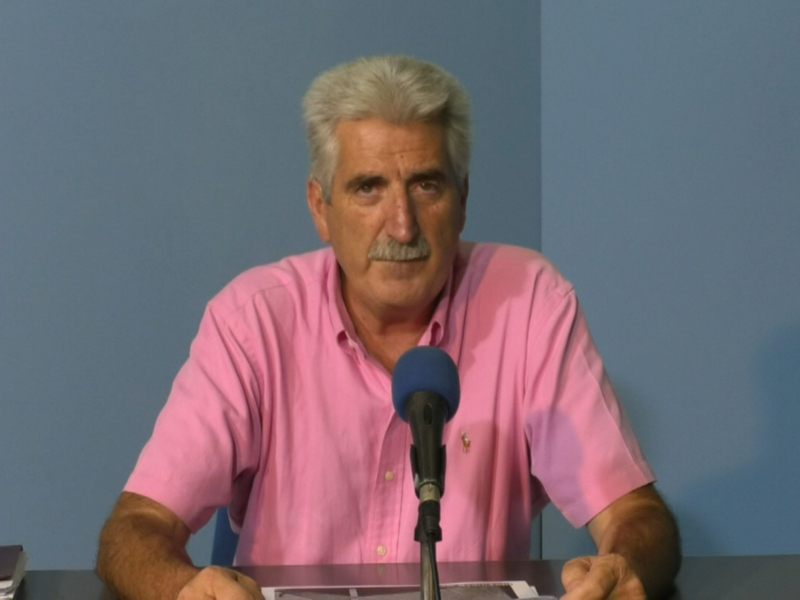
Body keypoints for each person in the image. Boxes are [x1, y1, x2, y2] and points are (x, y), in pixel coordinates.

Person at [97, 56, 680, 600]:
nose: (402, 227)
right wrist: (179, 588)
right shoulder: (252, 320)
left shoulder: (530, 304)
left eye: (426, 185)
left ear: (463, 198)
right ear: (320, 208)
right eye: (368, 188)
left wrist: (623, 566)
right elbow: (135, 529)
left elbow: (635, 516)